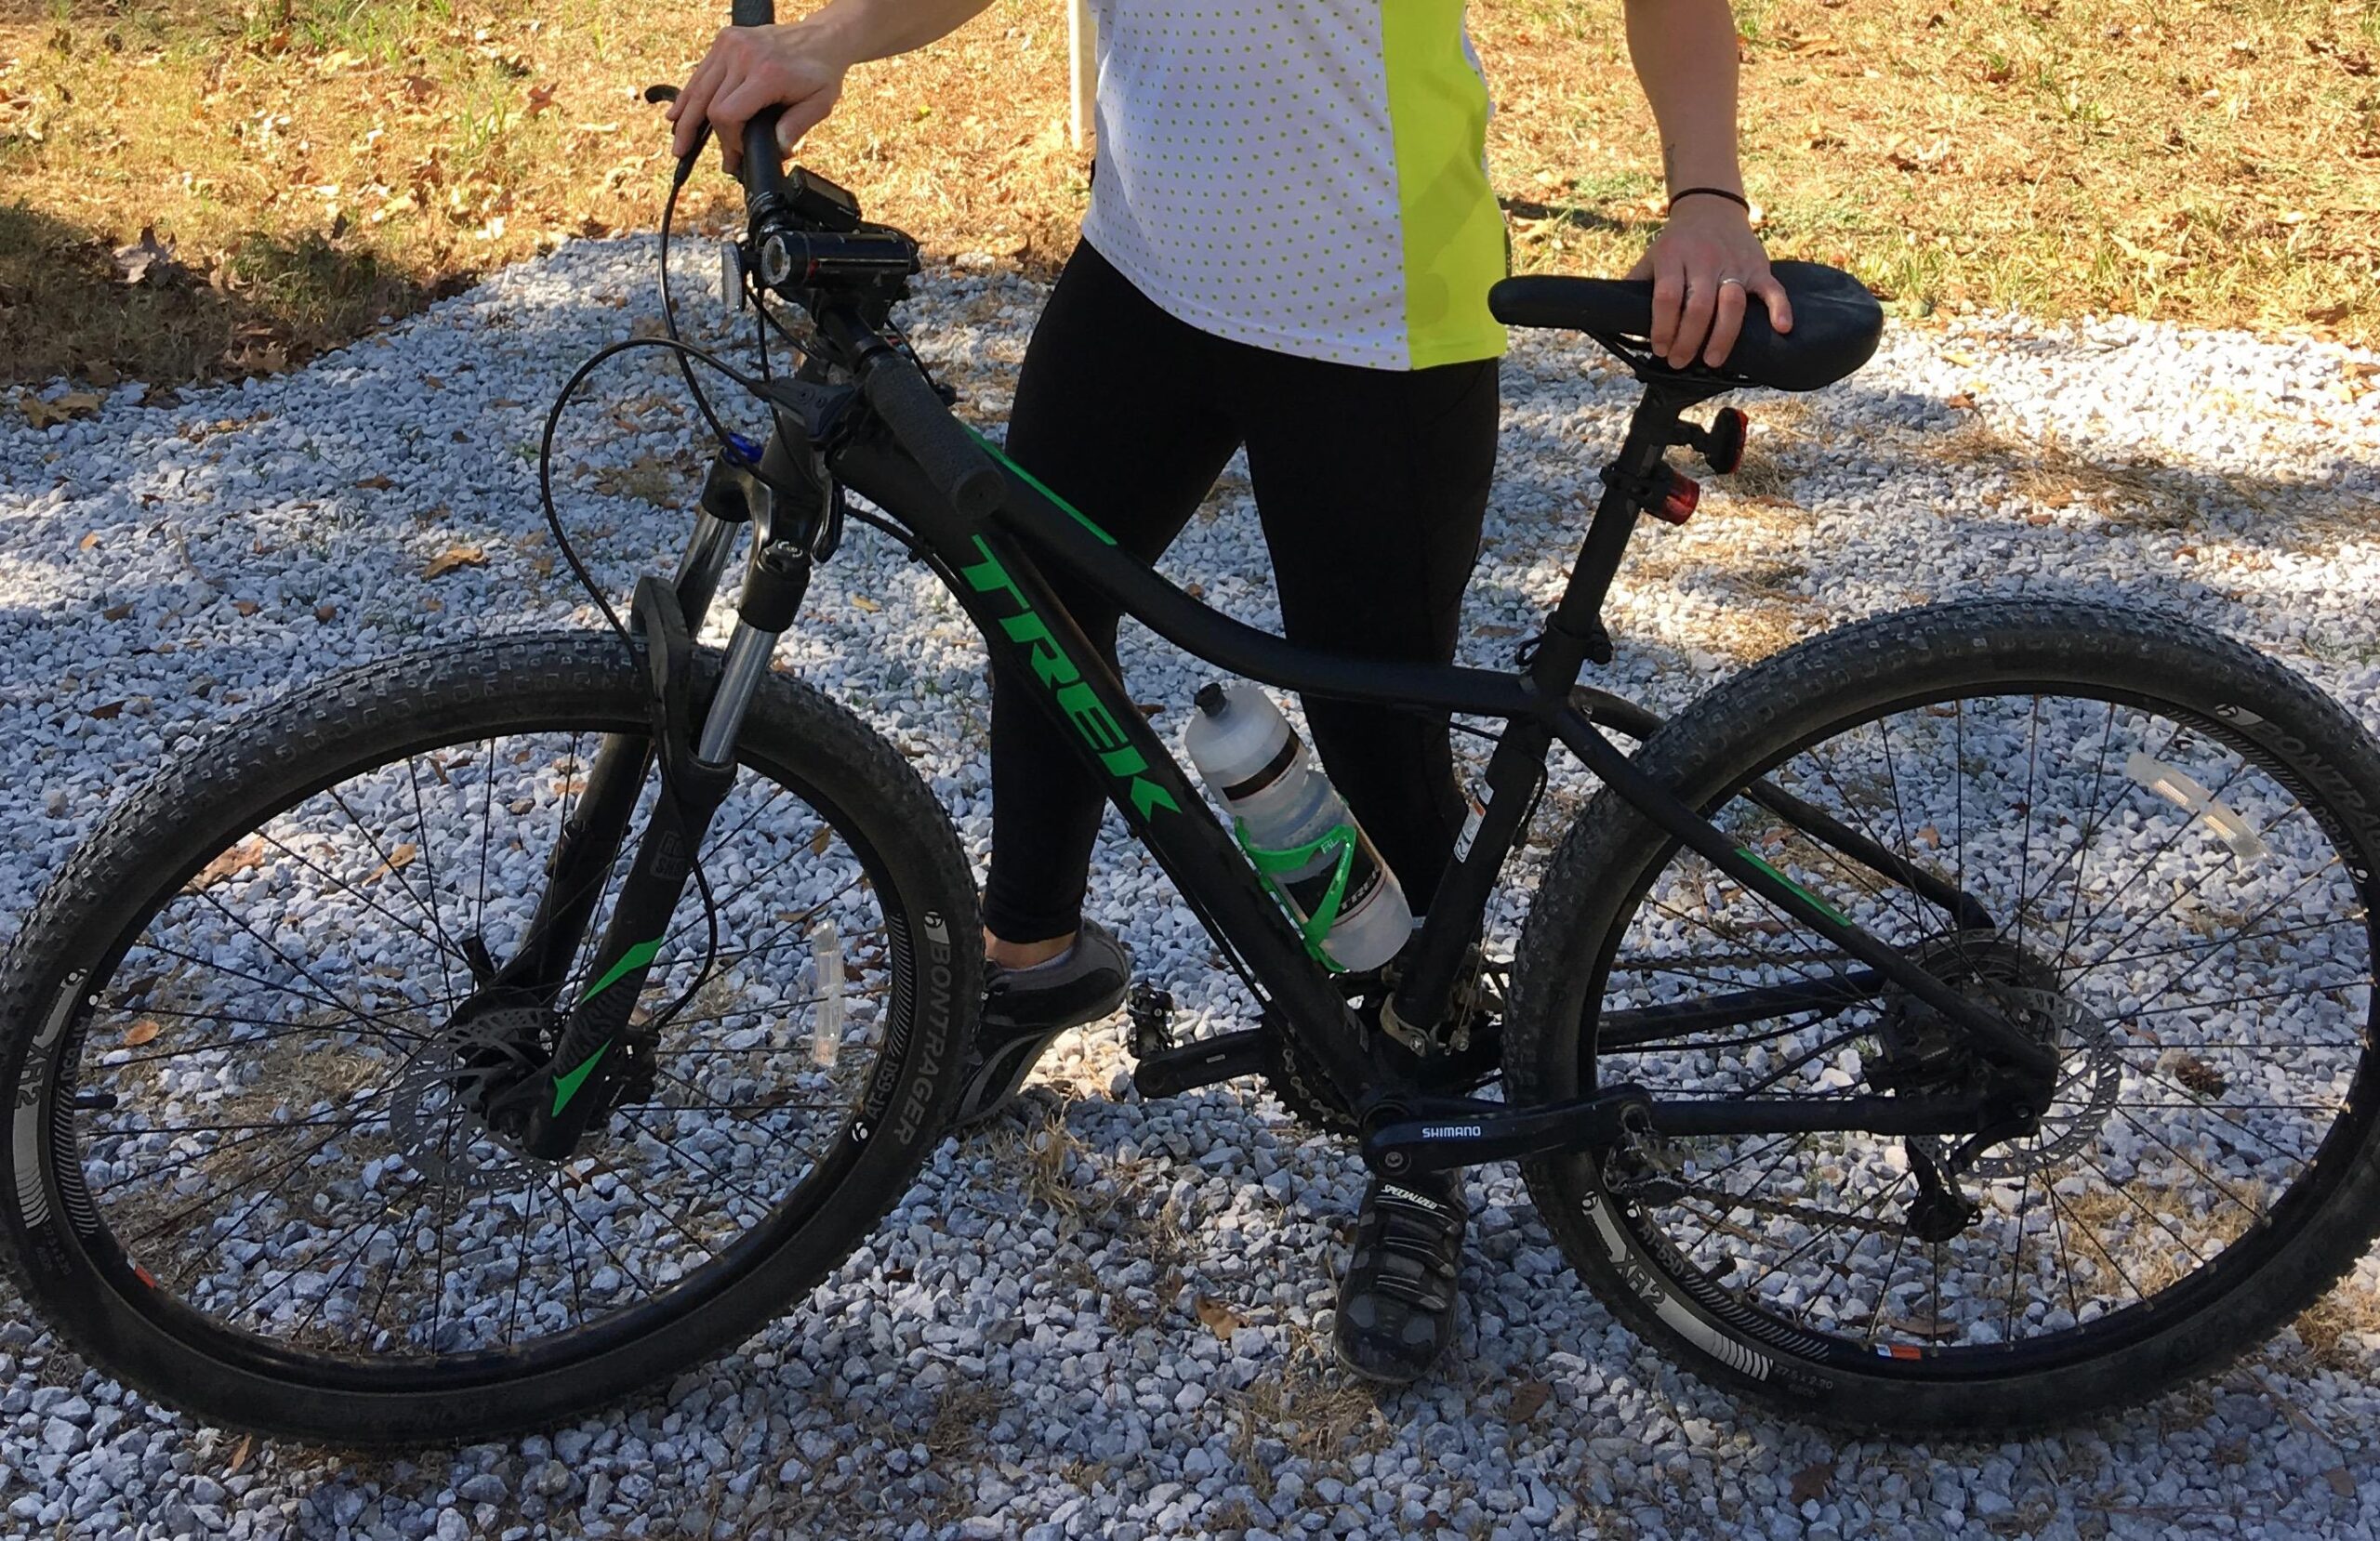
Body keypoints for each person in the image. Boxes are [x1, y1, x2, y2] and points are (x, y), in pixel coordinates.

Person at [671, 0, 1790, 1385]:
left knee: (1379, 735)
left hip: (1378, 315)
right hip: (1145, 271)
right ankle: (1032, 960)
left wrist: (1705, 196)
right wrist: (835, 36)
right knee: (1034, 609)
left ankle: (1423, 1110)